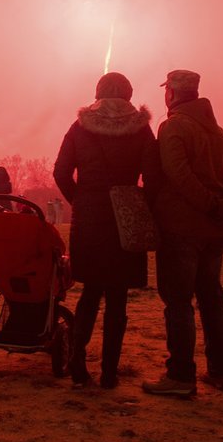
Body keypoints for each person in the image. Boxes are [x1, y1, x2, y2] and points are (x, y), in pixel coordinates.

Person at [142, 69, 223, 398]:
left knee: (178, 302)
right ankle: (221, 370)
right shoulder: (219, 133)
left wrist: (210, 205)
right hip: (213, 232)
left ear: (171, 93)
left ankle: (181, 375)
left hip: (182, 228)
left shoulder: (172, 127)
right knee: (212, 299)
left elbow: (178, 175)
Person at [53, 72, 158, 389]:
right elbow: (153, 175)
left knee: (89, 293)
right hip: (124, 219)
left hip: (90, 217)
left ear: (97, 92)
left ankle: (78, 364)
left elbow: (60, 171)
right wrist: (139, 204)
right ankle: (110, 372)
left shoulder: (80, 125)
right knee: (117, 298)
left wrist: (79, 199)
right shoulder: (141, 128)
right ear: (128, 93)